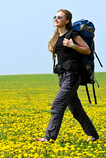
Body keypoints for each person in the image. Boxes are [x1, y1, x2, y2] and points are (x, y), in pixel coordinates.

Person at [35, 9, 99, 143]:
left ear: (67, 21)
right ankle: (93, 135)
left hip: (72, 75)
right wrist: (53, 49)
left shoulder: (72, 34)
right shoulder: (57, 36)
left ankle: (48, 137)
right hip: (62, 75)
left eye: (60, 17)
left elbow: (87, 50)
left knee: (57, 105)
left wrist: (73, 45)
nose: (56, 19)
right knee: (75, 109)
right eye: (55, 16)